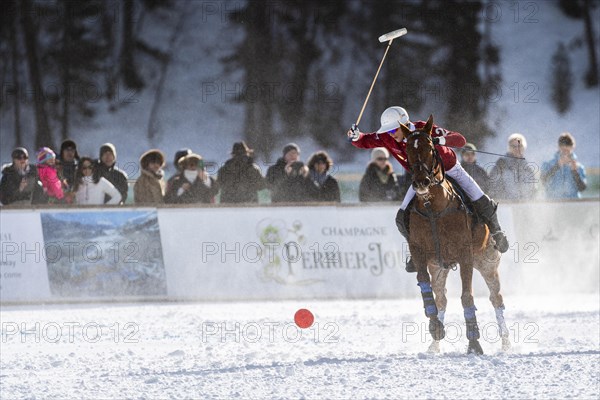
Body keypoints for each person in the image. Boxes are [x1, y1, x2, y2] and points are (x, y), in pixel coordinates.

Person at [347, 106, 509, 272]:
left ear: (404, 125)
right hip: (423, 177)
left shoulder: (423, 128)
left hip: (450, 168)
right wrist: (355, 136)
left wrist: (440, 140)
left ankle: (497, 233)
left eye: (394, 130)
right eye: (388, 131)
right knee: (401, 217)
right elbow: (366, 140)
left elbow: (459, 139)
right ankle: (416, 252)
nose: (390, 134)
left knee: (479, 197)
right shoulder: (387, 137)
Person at [489, 133, 536, 201]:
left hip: (525, 206)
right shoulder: (502, 163)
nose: (517, 148)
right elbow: (493, 186)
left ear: (524, 147)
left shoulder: (528, 167)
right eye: (514, 146)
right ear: (509, 148)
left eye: (520, 146)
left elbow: (533, 189)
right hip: (506, 206)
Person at [541, 132, 587, 199]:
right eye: (563, 150)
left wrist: (575, 171)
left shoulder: (578, 167)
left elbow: (582, 188)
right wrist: (557, 166)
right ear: (558, 147)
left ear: (572, 148)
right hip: (553, 203)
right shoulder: (548, 164)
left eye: (567, 150)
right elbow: (543, 181)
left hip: (573, 204)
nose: (565, 153)